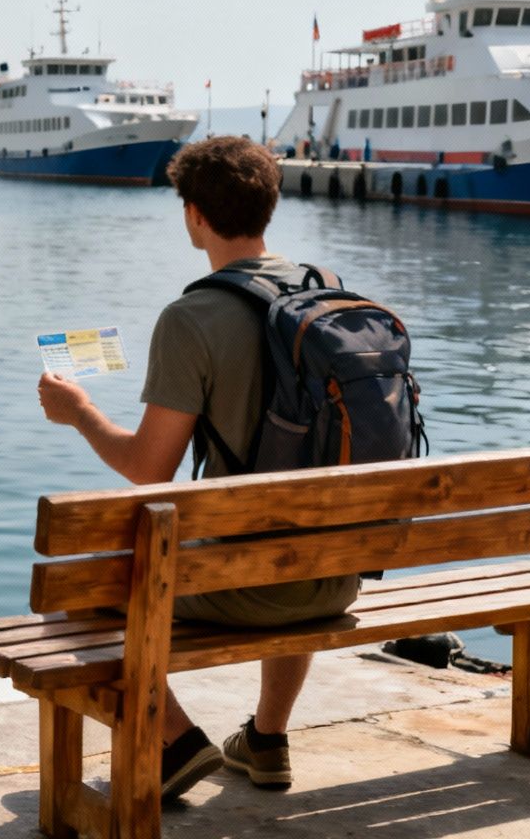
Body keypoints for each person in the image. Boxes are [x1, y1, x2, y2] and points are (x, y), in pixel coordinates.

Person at [37, 135, 357, 802]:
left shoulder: (192, 318)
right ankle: (266, 739)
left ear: (195, 215)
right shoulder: (328, 292)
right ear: (269, 206)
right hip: (337, 574)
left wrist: (81, 412)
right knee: (294, 522)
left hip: (245, 586)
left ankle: (175, 741)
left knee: (77, 589)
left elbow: (149, 470)